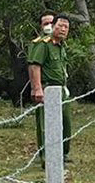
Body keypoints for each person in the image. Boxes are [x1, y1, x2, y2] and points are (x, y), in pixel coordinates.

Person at [26, 13, 74, 157]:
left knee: (65, 123)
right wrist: (37, 88)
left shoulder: (61, 46)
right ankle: (47, 157)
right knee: (46, 125)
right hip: (48, 88)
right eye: (60, 26)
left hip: (61, 89)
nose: (63, 29)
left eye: (66, 27)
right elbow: (35, 66)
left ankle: (62, 154)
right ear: (53, 26)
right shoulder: (43, 44)